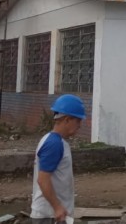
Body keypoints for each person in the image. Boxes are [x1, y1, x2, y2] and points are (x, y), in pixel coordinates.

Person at [31, 94, 87, 224]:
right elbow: (43, 179)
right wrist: (57, 207)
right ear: (67, 119)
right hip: (49, 216)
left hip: (53, 215)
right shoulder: (54, 144)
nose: (80, 125)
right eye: (78, 121)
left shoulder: (56, 142)